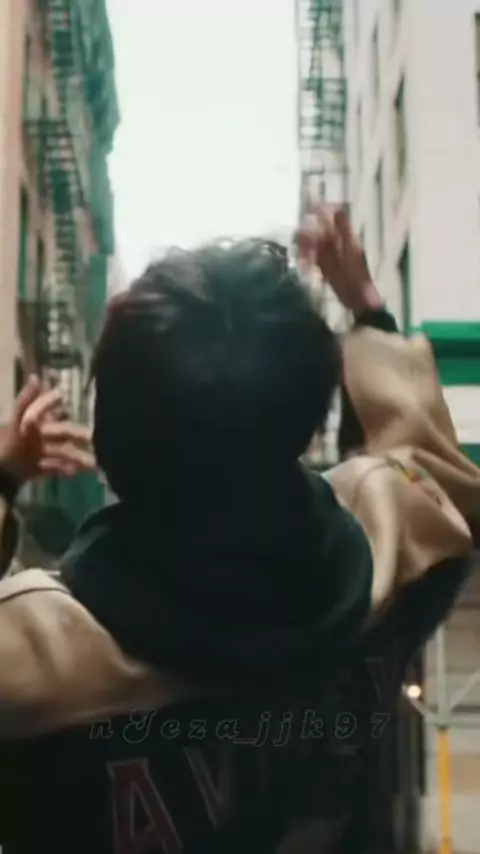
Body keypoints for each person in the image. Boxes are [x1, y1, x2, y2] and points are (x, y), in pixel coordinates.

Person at [0, 209, 479, 854]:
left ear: (107, 443)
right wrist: (368, 312)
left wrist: (4, 476)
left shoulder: (28, 663)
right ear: (307, 423)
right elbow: (437, 471)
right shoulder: (397, 554)